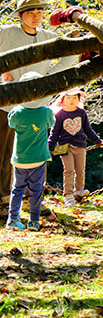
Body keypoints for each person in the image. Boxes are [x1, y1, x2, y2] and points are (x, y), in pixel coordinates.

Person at [0, 0, 77, 215]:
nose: (35, 16)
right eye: (30, 12)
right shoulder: (6, 33)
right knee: (3, 154)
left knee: (33, 153)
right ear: (20, 15)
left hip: (38, 105)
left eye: (39, 12)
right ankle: (3, 200)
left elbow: (69, 57)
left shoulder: (49, 38)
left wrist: (49, 83)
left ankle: (30, 199)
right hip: (7, 102)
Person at [5, 72, 54, 231]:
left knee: (17, 189)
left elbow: (11, 124)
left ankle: (13, 219)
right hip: (38, 158)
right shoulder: (45, 112)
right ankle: (33, 221)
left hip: (19, 159)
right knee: (36, 191)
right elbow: (50, 123)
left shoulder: (17, 112)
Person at [48, 88, 103, 208]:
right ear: (63, 99)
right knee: (69, 170)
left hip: (80, 146)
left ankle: (79, 192)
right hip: (65, 147)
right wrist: (49, 147)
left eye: (74, 98)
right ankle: (68, 195)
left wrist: (98, 141)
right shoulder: (60, 115)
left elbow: (88, 130)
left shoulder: (81, 113)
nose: (71, 100)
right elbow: (54, 133)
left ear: (79, 99)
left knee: (80, 170)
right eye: (68, 98)